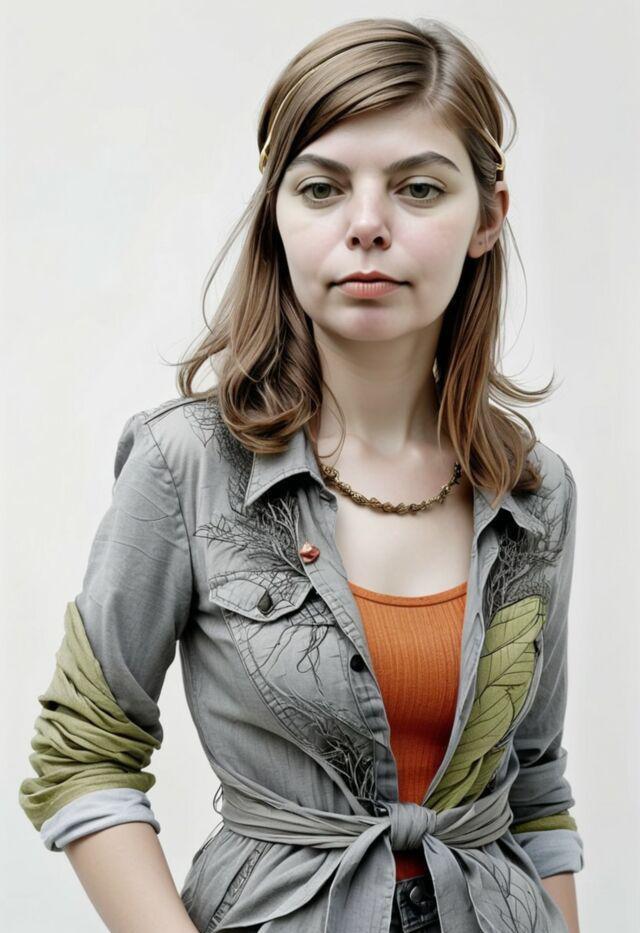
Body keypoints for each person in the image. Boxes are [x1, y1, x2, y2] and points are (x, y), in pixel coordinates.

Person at [18, 16, 584, 933]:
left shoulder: (536, 490)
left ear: (487, 217)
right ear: (277, 213)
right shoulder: (185, 463)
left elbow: (537, 789)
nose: (367, 226)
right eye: (322, 188)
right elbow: (82, 752)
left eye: (419, 188)